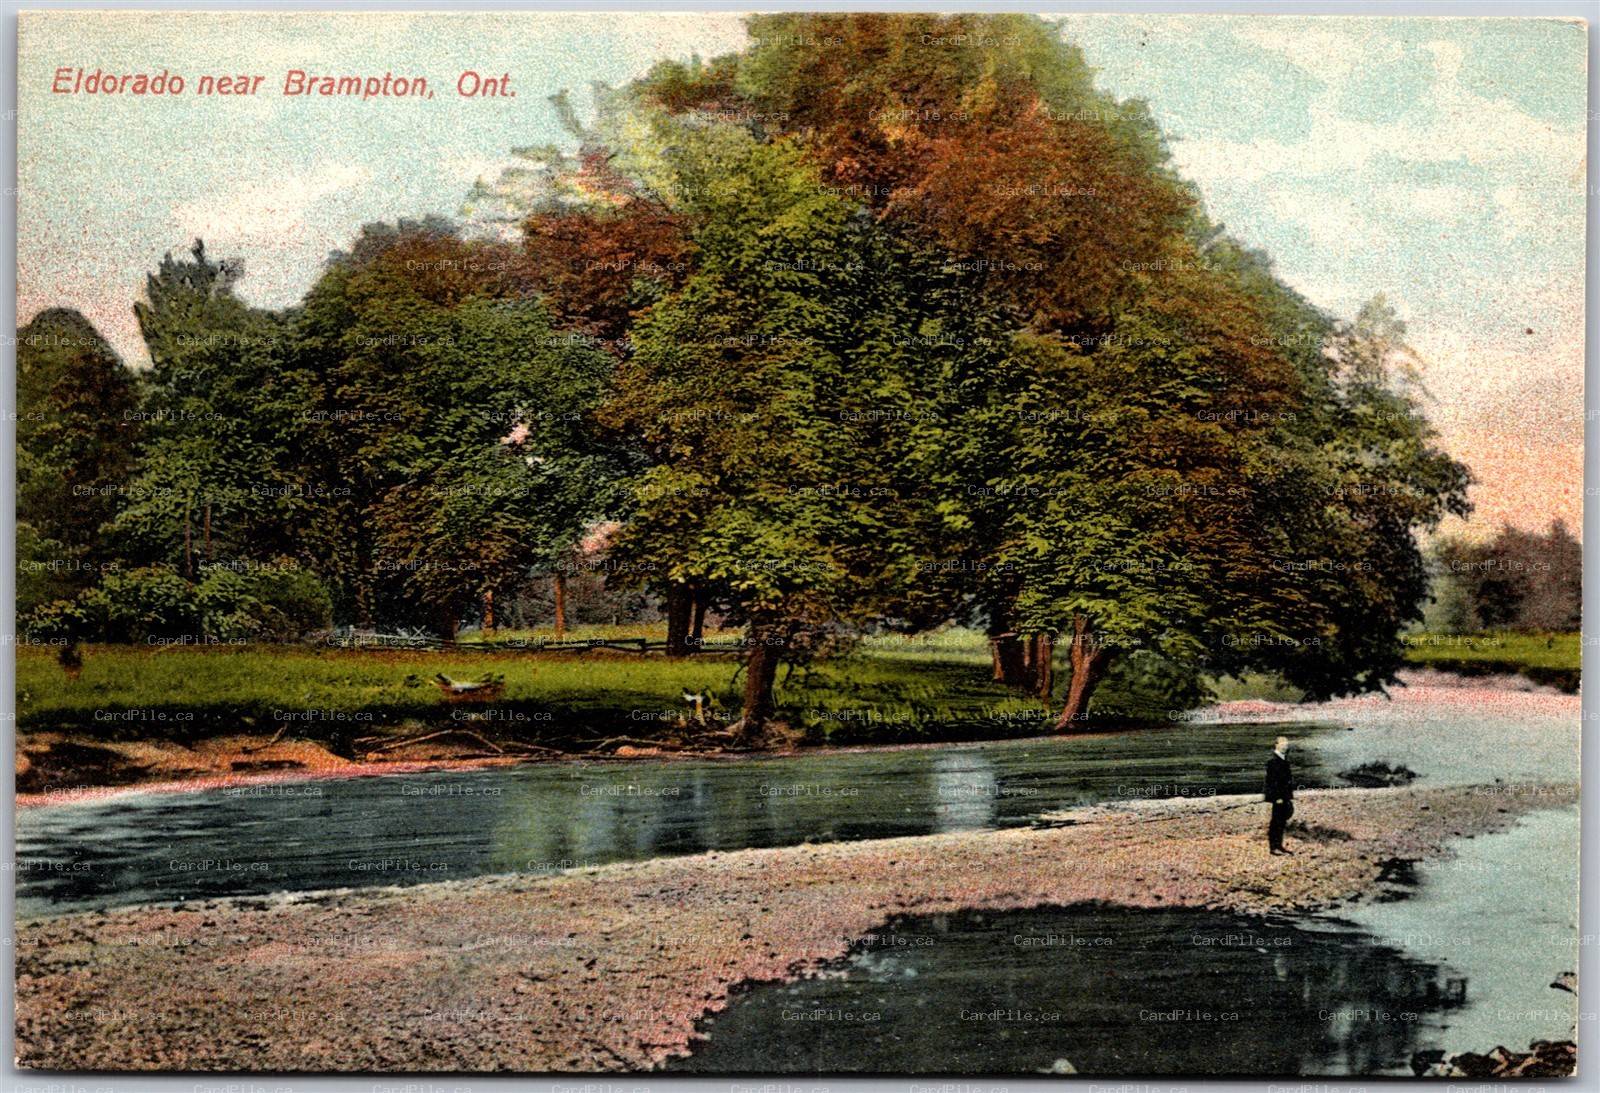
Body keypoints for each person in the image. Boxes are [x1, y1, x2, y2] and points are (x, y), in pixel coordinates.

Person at [1264, 735, 1294, 855]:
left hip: (1284, 797)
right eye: (1283, 745)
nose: (1285, 747)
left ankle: (1278, 845)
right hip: (1279, 798)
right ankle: (1273, 847)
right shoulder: (1273, 762)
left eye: (1286, 745)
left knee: (1281, 822)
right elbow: (1271, 782)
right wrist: (1277, 798)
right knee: (1276, 822)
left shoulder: (1283, 760)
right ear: (1276, 745)